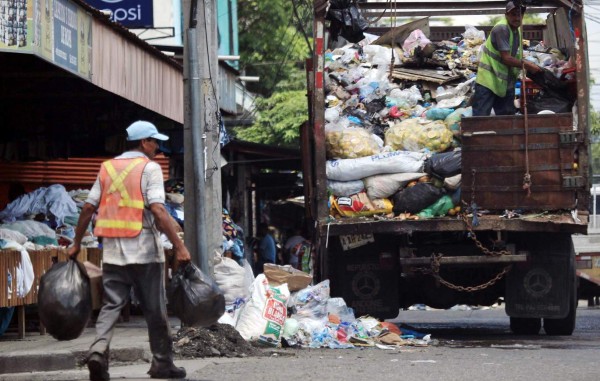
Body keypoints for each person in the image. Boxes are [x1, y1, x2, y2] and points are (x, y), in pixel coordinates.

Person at [67, 121, 191, 381]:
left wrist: (76, 242)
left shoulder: (107, 167)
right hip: (145, 249)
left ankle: (99, 350)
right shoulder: (150, 168)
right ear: (144, 142)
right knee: (155, 309)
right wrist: (179, 246)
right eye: (154, 141)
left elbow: (88, 208)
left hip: (112, 250)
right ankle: (162, 364)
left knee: (111, 305)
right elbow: (157, 209)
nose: (157, 146)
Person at [472, 1, 542, 116]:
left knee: (507, 120)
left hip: (505, 82)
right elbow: (506, 59)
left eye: (519, 14)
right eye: (513, 14)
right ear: (506, 15)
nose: (517, 18)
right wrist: (528, 65)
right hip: (488, 81)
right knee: (480, 119)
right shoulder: (502, 29)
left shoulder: (517, 30)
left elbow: (515, 55)